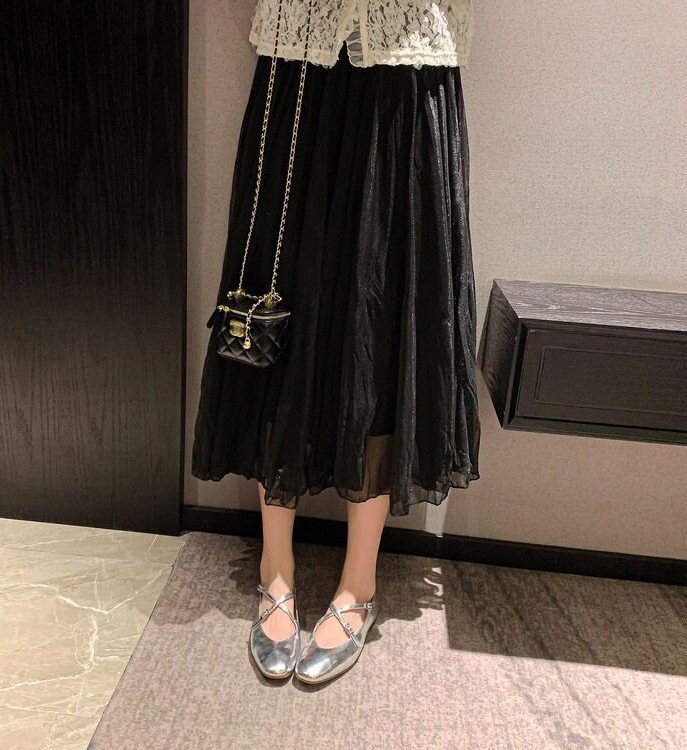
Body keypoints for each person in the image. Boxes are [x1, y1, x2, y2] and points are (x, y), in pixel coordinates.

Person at [191, 0, 480, 684]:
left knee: (382, 318)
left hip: (409, 69)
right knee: (274, 306)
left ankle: (359, 582)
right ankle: (276, 567)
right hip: (298, 59)